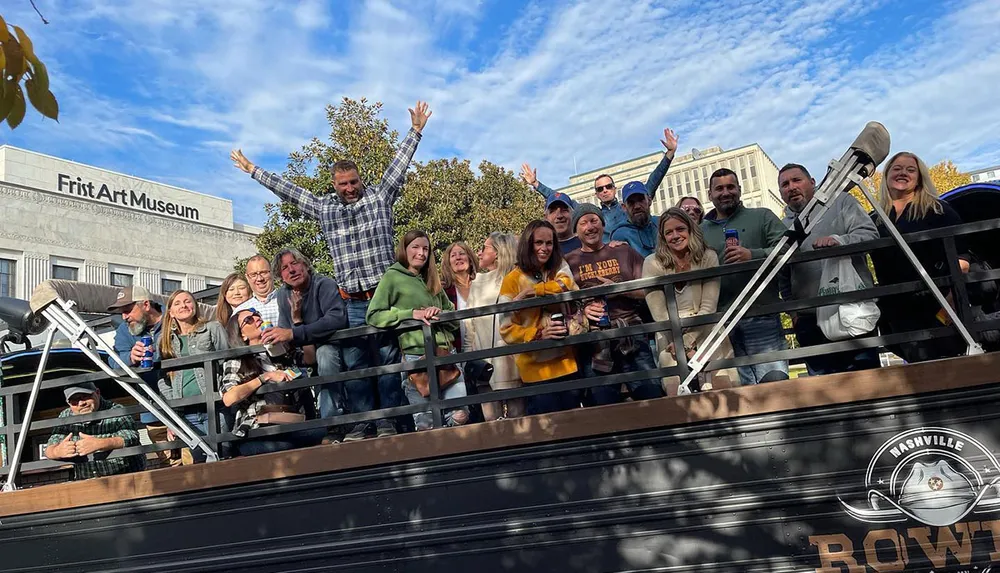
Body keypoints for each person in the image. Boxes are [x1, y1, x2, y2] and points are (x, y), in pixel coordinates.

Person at [230, 101, 430, 441]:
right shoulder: (325, 209)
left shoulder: (379, 197)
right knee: (355, 366)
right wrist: (253, 170)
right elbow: (289, 192)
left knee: (385, 360)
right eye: (343, 184)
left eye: (353, 181)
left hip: (382, 298)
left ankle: (388, 422)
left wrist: (416, 131)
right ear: (334, 185)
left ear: (360, 179)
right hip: (351, 301)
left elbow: (399, 166)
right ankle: (363, 421)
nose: (349, 188)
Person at [777, 163, 881, 375]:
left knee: (868, 385)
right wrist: (793, 311)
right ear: (780, 193)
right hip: (809, 319)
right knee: (824, 393)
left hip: (853, 309)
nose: (791, 187)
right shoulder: (782, 226)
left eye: (797, 180)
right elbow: (783, 273)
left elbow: (870, 234)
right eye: (785, 184)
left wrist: (839, 241)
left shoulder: (841, 201)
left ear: (812, 182)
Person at [870, 151, 970, 363]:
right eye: (897, 169)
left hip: (934, 302)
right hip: (895, 307)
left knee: (943, 365)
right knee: (915, 367)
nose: (903, 173)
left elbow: (962, 257)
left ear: (919, 176)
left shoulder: (938, 210)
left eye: (910, 169)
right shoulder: (875, 219)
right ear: (886, 175)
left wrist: (951, 302)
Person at [366, 230, 470, 431]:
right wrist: (410, 314)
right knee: (425, 424)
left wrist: (438, 314)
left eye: (425, 249)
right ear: (404, 249)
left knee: (460, 415)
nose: (421, 253)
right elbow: (374, 315)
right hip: (415, 356)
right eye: (415, 247)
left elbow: (453, 318)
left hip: (445, 353)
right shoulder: (392, 277)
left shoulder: (432, 278)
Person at [563, 204, 664, 404]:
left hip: (631, 333)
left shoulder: (624, 251)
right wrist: (583, 310)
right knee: (602, 404)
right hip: (595, 342)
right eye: (583, 223)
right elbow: (564, 305)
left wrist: (619, 289)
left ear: (602, 224)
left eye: (594, 221)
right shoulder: (568, 262)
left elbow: (650, 290)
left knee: (651, 396)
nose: (590, 227)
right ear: (576, 230)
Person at [264, 248, 365, 439]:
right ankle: (328, 425)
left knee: (325, 353)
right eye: (285, 268)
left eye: (295, 263)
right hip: (310, 356)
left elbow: (336, 319)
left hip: (342, 347)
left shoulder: (324, 284)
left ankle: (336, 424)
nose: (291, 270)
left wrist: (295, 331)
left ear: (306, 265)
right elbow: (288, 335)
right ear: (281, 276)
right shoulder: (282, 295)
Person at [701, 168, 789, 385]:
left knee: (774, 383)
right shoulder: (699, 231)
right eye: (719, 188)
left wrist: (753, 255)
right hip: (721, 321)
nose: (725, 192)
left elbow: (789, 247)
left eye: (730, 187)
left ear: (739, 190)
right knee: (739, 392)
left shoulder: (762, 216)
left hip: (761, 313)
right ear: (710, 194)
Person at [520, 127, 678, 240]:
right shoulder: (594, 214)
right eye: (600, 188)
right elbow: (563, 199)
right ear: (596, 193)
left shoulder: (629, 206)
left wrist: (669, 155)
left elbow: (653, 181)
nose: (605, 190)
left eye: (608, 186)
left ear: (614, 189)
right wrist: (536, 184)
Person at [643, 208, 738, 395]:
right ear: (662, 237)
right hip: (670, 335)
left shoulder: (708, 256)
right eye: (668, 232)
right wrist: (679, 344)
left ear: (690, 230)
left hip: (706, 328)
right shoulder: (652, 263)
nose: (675, 236)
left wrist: (686, 343)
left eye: (680, 229)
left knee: (722, 393)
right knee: (677, 396)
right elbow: (659, 313)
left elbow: (709, 306)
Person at [499, 220, 581, 415]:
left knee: (575, 426)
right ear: (528, 244)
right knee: (548, 431)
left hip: (567, 364)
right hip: (534, 371)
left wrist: (533, 291)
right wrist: (538, 334)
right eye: (539, 243)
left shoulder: (559, 266)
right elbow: (506, 329)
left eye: (549, 243)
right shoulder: (511, 280)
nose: (545, 248)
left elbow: (566, 285)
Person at [220, 309, 326, 455]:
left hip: (292, 423)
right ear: (242, 335)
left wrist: (298, 324)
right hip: (258, 429)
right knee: (279, 447)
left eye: (257, 315)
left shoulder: (280, 350)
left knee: (321, 432)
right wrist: (265, 377)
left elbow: (310, 359)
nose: (256, 319)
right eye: (249, 320)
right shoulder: (238, 360)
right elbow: (229, 398)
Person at [157, 289, 229, 464]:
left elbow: (228, 362)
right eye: (178, 303)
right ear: (171, 312)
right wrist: (173, 410)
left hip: (216, 406)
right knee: (200, 460)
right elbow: (163, 379)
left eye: (188, 301)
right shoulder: (164, 340)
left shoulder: (213, 328)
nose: (184, 305)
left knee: (225, 455)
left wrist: (225, 391)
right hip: (186, 412)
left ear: (195, 307)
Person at [107, 285, 169, 465]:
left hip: (185, 406)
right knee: (170, 465)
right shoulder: (124, 330)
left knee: (195, 459)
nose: (124, 317)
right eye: (122, 312)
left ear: (146, 305)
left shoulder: (173, 317)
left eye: (127, 310)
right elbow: (113, 361)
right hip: (153, 411)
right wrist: (130, 357)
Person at [465, 233, 524, 420]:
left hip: (510, 356)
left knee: (517, 415)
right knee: (491, 419)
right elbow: (469, 324)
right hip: (484, 359)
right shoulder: (477, 283)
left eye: (484, 248)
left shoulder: (517, 277)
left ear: (498, 252)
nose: (479, 253)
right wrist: (469, 356)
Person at [44, 382, 145, 481]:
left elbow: (132, 436)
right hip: (86, 482)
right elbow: (49, 448)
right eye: (74, 400)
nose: (81, 403)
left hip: (124, 478)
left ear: (97, 392)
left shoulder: (115, 409)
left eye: (85, 396)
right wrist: (58, 451)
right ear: (68, 403)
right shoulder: (65, 416)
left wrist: (101, 443)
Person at [442, 241, 479, 351]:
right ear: (448, 264)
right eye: (453, 255)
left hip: (486, 348)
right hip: (457, 352)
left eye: (462, 253)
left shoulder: (482, 285)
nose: (458, 258)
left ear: (470, 260)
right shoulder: (445, 292)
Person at [611, 181, 660, 257]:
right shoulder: (620, 235)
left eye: (640, 200)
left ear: (649, 200)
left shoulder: (661, 223)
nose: (637, 206)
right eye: (631, 202)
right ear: (624, 207)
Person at [234, 254, 281, 326]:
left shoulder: (289, 301)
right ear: (247, 277)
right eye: (253, 274)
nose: (259, 279)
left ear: (272, 273)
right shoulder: (241, 311)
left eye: (264, 272)